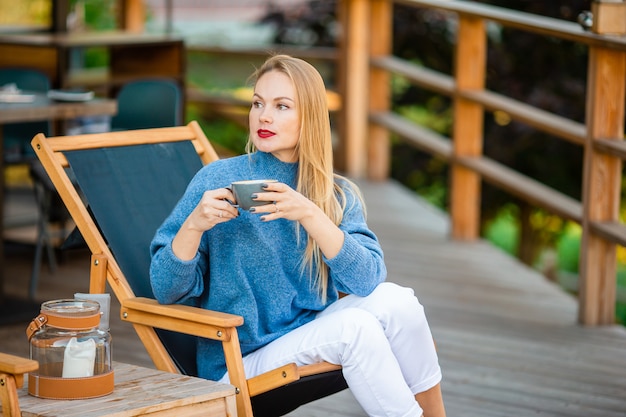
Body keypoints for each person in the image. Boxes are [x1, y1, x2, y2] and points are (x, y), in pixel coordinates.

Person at [150, 54, 446, 417]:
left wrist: (309, 213)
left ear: (310, 118)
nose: (264, 116)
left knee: (399, 300)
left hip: (308, 333)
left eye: (282, 106)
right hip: (239, 359)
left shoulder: (334, 193)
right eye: (258, 103)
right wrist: (194, 224)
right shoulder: (217, 180)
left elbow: (368, 280)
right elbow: (165, 289)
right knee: (357, 327)